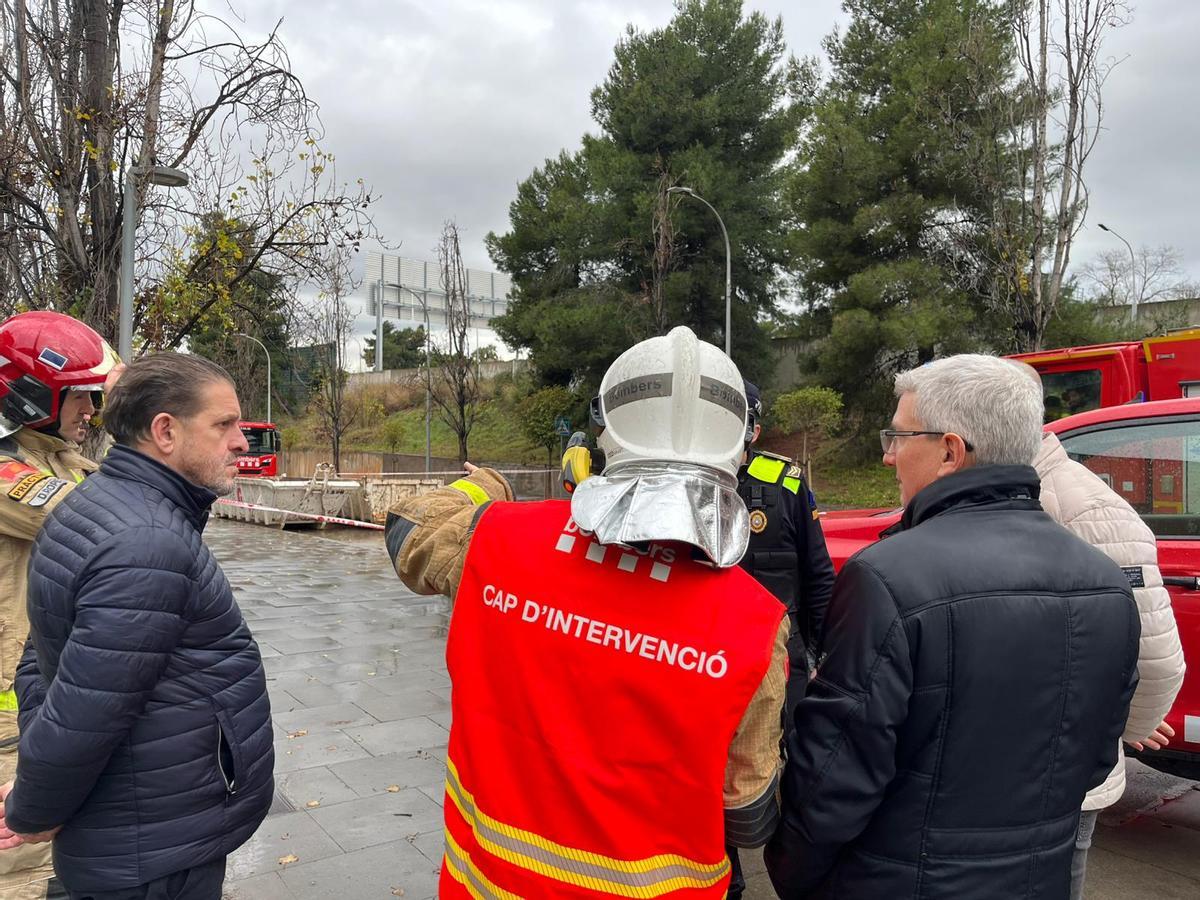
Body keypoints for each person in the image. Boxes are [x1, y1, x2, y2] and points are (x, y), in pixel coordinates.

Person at [386, 326, 789, 898]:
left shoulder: (496, 541)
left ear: (606, 434)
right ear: (736, 449)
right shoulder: (757, 627)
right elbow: (747, 814)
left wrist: (489, 488)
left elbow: (407, 530)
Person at [765, 353, 1141, 900]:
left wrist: (792, 871)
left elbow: (833, 779)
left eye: (898, 438)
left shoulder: (887, 579)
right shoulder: (1106, 584)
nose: (890, 456)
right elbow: (1094, 759)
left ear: (949, 450)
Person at [0, 352, 274, 900]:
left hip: (130, 825)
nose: (242, 442)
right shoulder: (147, 540)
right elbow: (84, 711)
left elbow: (42, 662)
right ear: (165, 431)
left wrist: (44, 786)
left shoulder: (92, 505)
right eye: (223, 425)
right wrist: (35, 808)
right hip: (152, 846)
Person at [1030, 409, 1185, 900]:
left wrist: (1126, 724)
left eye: (902, 435)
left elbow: (1154, 659)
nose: (888, 455)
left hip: (1067, 772)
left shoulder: (1087, 510)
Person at [0, 311, 123, 900]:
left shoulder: (60, 459)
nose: (92, 412)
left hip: (48, 692)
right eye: (83, 397)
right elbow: (87, 518)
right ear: (33, 395)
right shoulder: (6, 470)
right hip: (6, 714)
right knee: (18, 862)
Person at [726, 381, 834, 900]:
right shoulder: (783, 479)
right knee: (776, 765)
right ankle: (757, 870)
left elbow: (817, 577)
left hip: (763, 656)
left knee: (768, 765)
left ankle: (750, 871)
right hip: (766, 658)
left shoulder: (783, 480)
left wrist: (822, 654)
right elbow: (819, 579)